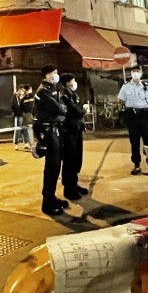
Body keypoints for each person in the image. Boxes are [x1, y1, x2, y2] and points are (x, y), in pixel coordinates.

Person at [34, 65, 68, 216]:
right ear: (46, 75)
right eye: (54, 73)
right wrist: (61, 110)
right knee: (51, 167)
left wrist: (62, 110)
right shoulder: (43, 91)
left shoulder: (54, 89)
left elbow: (62, 108)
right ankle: (47, 202)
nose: (56, 75)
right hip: (48, 131)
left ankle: (52, 197)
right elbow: (58, 109)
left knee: (56, 166)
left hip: (55, 129)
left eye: (56, 72)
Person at [118, 66, 148, 175]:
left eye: (137, 71)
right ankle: (136, 165)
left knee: (147, 142)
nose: (135, 73)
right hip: (132, 116)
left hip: (145, 115)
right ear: (131, 73)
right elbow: (121, 100)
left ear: (141, 73)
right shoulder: (125, 87)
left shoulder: (146, 86)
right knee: (134, 142)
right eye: (133, 71)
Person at [58, 73, 88, 201]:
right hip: (68, 131)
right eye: (72, 81)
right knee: (69, 160)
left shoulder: (73, 95)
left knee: (76, 159)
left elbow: (77, 108)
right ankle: (68, 188)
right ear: (67, 83)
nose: (74, 83)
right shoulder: (64, 97)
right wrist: (83, 110)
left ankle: (74, 184)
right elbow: (75, 110)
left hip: (76, 130)